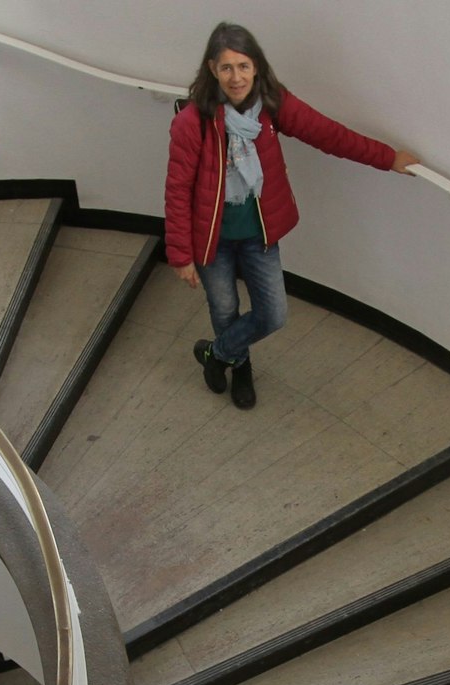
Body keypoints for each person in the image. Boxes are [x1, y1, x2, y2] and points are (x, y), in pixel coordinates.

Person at [164, 22, 419, 410]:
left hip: (258, 235)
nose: (237, 77)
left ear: (257, 68)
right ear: (212, 69)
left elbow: (328, 134)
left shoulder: (271, 105)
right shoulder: (192, 122)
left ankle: (217, 354)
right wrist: (181, 254)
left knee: (274, 314)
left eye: (244, 67)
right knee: (225, 310)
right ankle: (241, 367)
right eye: (227, 67)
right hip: (211, 240)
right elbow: (178, 189)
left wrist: (387, 159)